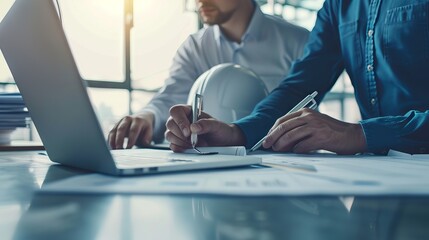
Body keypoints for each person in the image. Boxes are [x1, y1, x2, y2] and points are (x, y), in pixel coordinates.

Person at [165, 0, 429, 155]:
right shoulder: (339, 5)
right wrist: (238, 132)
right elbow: (299, 87)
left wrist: (360, 134)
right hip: (381, 180)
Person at [108, 0, 309, 149]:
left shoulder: (298, 41)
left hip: (280, 163)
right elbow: (171, 96)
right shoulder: (195, 47)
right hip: (210, 159)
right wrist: (146, 117)